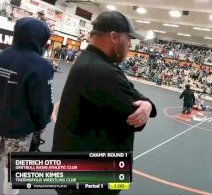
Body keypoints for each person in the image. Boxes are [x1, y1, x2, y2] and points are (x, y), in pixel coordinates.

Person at [52, 11, 157, 195]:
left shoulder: (92, 61)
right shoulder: (102, 72)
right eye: (129, 38)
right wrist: (146, 106)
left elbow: (134, 94)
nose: (130, 45)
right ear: (114, 37)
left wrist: (148, 104)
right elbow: (135, 119)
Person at [0, 18, 54, 195]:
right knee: (13, 172)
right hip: (19, 130)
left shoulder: (3, 55)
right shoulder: (41, 66)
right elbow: (42, 103)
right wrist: (41, 124)